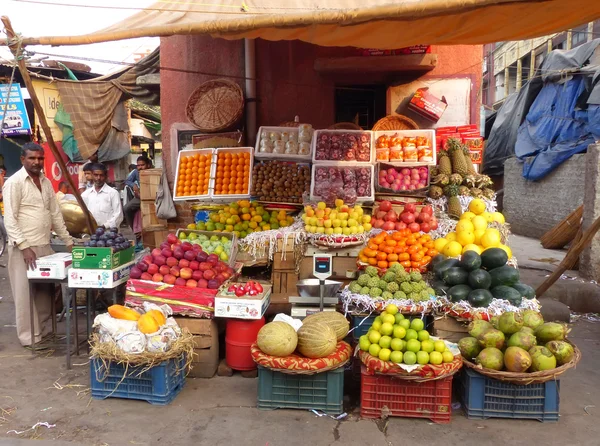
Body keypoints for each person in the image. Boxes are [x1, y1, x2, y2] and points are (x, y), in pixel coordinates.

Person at [3, 142, 73, 347]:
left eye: (40, 158)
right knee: (25, 295)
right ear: (22, 159)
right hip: (23, 248)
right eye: (32, 158)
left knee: (46, 293)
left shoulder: (46, 182)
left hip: (44, 244)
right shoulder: (14, 183)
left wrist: (68, 241)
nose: (36, 162)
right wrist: (24, 246)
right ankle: (29, 338)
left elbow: (55, 214)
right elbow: (10, 219)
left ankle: (43, 332)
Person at [81, 163, 123, 229]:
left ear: (106, 176)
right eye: (96, 175)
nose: (98, 178)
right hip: (92, 233)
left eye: (101, 175)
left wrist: (104, 226)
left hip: (110, 234)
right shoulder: (85, 195)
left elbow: (118, 215)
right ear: (92, 175)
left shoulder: (113, 193)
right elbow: (83, 215)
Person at [124, 155, 152, 232]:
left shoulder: (153, 172)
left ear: (148, 165)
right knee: (126, 208)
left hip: (153, 197)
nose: (140, 167)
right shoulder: (136, 172)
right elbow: (127, 181)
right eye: (138, 165)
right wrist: (134, 185)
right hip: (140, 197)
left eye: (142, 165)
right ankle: (135, 229)